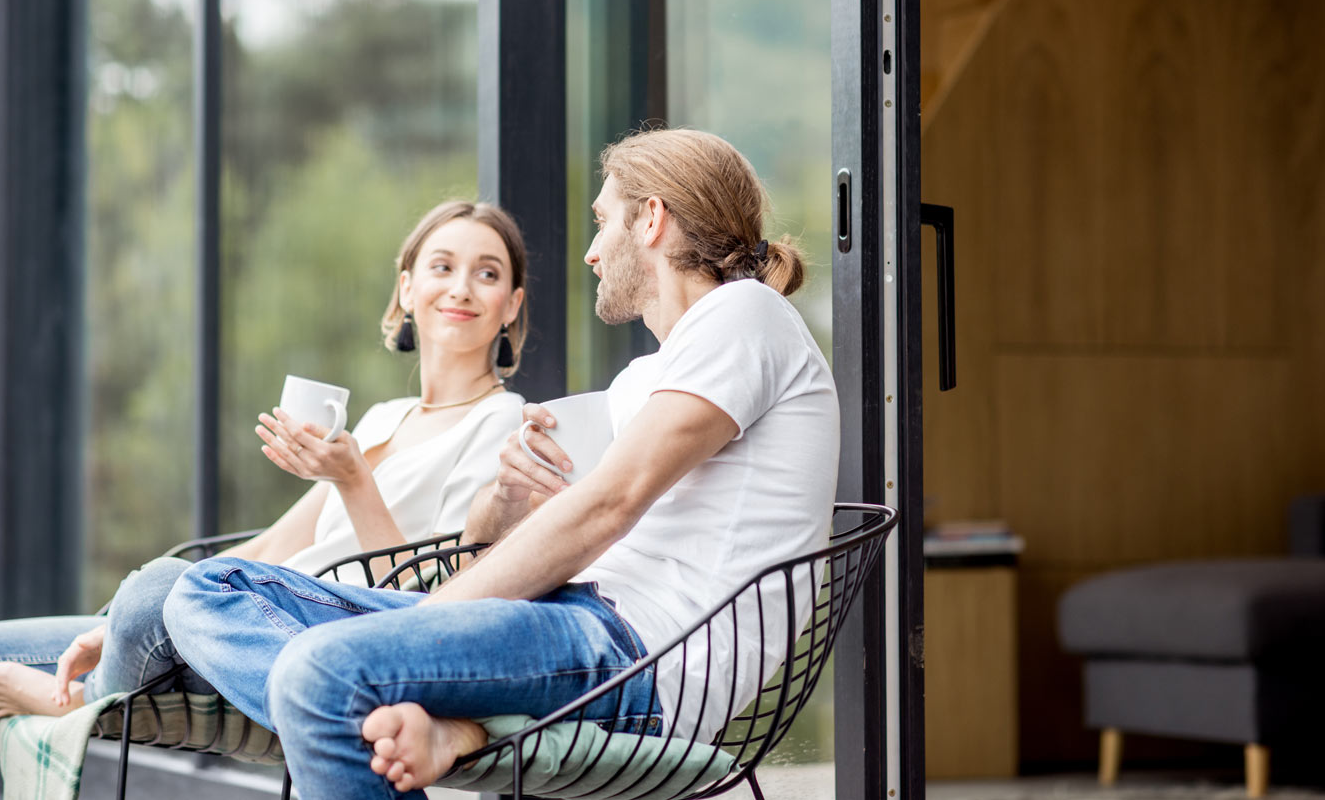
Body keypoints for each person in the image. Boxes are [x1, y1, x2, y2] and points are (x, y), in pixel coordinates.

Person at [162, 128, 839, 798]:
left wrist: (425, 623)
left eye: (603, 222)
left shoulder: (746, 315)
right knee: (205, 590)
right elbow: (572, 522)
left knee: (319, 674)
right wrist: (511, 502)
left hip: (634, 655)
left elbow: (608, 505)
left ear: (652, 219)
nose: (591, 251)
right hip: (561, 622)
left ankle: (388, 709)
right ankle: (427, 718)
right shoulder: (651, 375)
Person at [0, 200, 530, 800]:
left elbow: (435, 606)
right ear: (406, 289)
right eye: (442, 267)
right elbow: (279, 544)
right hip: (225, 620)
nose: (462, 288)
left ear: (511, 305)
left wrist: (354, 482)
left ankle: (80, 698)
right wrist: (116, 622)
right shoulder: (384, 417)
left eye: (488, 273)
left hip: (300, 641)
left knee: (164, 584)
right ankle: (106, 667)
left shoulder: (503, 424)